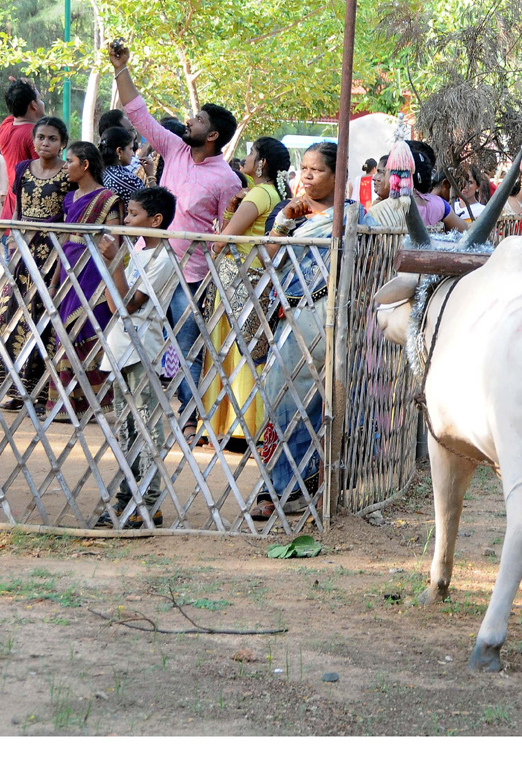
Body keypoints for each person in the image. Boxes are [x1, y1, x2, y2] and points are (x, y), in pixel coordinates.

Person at [108, 39, 242, 447]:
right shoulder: (174, 149)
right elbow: (140, 115)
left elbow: (225, 230)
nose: (190, 120)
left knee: (185, 347)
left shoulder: (228, 180)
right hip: (146, 262)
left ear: (213, 134)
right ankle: (139, 409)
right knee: (136, 331)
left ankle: (188, 419)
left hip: (190, 274)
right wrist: (120, 69)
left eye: (198, 118)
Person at [251, 142, 375, 521]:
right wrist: (284, 222)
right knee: (282, 399)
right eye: (303, 168)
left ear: (339, 177)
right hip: (292, 316)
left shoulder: (355, 217)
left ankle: (311, 483)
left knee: (328, 404)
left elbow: (370, 267)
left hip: (335, 316)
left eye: (316, 170)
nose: (306, 175)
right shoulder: (289, 213)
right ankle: (280, 485)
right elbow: (266, 259)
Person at [93, 186, 180, 529]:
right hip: (121, 347)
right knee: (126, 427)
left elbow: (124, 305)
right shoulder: (141, 253)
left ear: (155, 220)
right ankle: (129, 496)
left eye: (133, 214)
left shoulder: (163, 259)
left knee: (146, 424)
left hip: (142, 347)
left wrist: (114, 261)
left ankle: (149, 501)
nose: (126, 220)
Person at [202, 136, 291, 444]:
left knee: (235, 350)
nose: (246, 158)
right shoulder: (269, 194)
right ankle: (248, 425)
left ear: (262, 162)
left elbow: (223, 240)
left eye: (252, 153)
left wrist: (216, 237)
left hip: (237, 278)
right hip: (255, 278)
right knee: (252, 348)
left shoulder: (257, 196)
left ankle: (234, 426)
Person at [0, 116, 69, 416]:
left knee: (43, 319)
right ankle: (12, 389)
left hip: (51, 254)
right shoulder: (21, 169)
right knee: (12, 316)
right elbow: (16, 209)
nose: (45, 143)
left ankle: (40, 393)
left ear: (62, 143)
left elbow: (68, 218)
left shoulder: (68, 174)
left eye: (52, 138)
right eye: (40, 137)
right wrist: (15, 243)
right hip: (22, 253)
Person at [55, 141, 123, 415]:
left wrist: (110, 271)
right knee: (66, 329)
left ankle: (98, 400)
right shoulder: (69, 198)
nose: (65, 167)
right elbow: (62, 239)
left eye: (69, 161)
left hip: (94, 268)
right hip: (68, 267)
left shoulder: (108, 199)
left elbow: (114, 241)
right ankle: (69, 401)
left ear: (84, 165)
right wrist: (55, 278)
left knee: (91, 324)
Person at [2, 79, 45, 221]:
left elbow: (16, 109)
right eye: (39, 99)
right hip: (28, 216)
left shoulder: (6, 126)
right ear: (33, 105)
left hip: (9, 213)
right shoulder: (34, 135)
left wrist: (19, 90)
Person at [99, 126, 145, 205]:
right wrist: (151, 177)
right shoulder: (129, 180)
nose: (133, 154)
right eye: (130, 149)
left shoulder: (98, 172)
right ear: (119, 151)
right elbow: (150, 206)